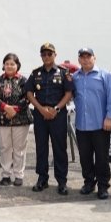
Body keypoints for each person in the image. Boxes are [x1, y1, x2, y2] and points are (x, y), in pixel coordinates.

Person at [25, 42, 73, 195]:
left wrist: (56, 109)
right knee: (41, 147)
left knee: (60, 148)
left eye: (49, 54)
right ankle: (42, 179)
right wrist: (40, 109)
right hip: (40, 115)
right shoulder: (35, 73)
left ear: (55, 55)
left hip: (58, 115)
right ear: (41, 56)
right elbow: (29, 93)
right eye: (44, 54)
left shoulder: (63, 72)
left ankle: (62, 181)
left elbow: (69, 93)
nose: (46, 56)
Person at [72, 47, 111, 200]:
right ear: (79, 60)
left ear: (94, 58)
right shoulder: (75, 77)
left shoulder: (105, 75)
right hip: (81, 125)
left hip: (100, 125)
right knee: (84, 157)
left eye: (88, 56)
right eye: (82, 57)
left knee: (102, 158)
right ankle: (89, 182)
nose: (85, 59)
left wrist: (110, 117)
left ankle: (103, 186)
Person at [0, 53, 33, 187]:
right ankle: (6, 175)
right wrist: (6, 107)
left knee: (19, 148)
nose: (9, 66)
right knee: (5, 148)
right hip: (3, 119)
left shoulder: (24, 81)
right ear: (3, 65)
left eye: (12, 64)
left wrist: (15, 109)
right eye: (7, 64)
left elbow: (28, 97)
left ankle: (19, 175)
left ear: (17, 65)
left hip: (21, 119)